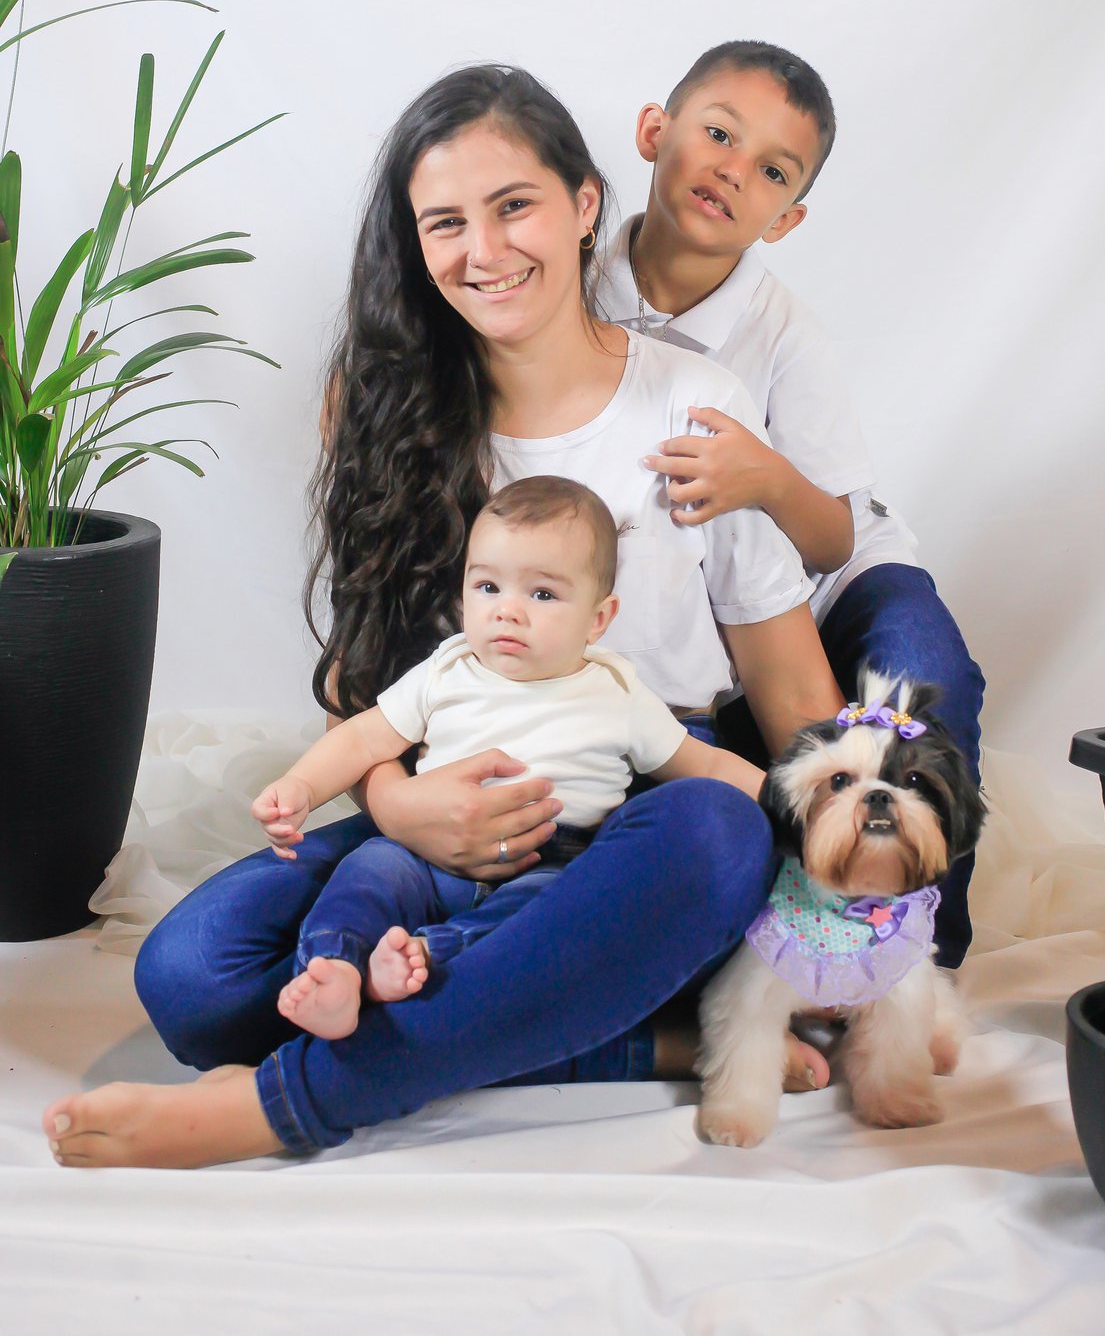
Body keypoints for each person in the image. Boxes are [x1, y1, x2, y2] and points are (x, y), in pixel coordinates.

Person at [43, 64, 843, 1169]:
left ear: (585, 204)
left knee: (718, 833)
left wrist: (839, 882)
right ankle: (621, 1035)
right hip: (441, 810)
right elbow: (363, 684)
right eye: (446, 222)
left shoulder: (694, 406)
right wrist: (400, 803)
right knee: (191, 978)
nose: (486, 250)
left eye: (515, 205)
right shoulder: (384, 408)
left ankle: (280, 1106)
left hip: (641, 816)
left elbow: (788, 680)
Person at [595, 40, 985, 968]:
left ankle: (922, 943)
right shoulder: (571, 284)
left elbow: (834, 536)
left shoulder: (784, 334)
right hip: (717, 599)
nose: (734, 170)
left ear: (787, 218)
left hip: (838, 574)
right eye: (719, 134)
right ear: (654, 133)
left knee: (925, 682)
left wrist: (765, 476)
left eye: (772, 171)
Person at [253, 475, 765, 1042]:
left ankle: (430, 954)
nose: (507, 611)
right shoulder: (446, 670)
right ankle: (335, 970)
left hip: (549, 861)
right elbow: (362, 740)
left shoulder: (617, 693)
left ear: (598, 618)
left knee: (552, 912)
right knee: (369, 869)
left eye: (542, 594)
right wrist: (301, 786)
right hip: (426, 855)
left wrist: (792, 799)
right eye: (488, 587)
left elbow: (707, 766)